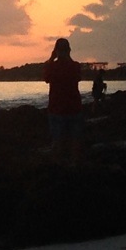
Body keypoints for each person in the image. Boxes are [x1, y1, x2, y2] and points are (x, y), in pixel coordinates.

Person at [43, 37, 85, 167]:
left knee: (57, 139)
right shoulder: (75, 66)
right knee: (75, 139)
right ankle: (74, 164)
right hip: (74, 107)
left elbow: (46, 78)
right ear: (69, 50)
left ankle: (58, 165)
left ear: (56, 50)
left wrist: (51, 58)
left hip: (56, 107)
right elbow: (78, 77)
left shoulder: (51, 66)